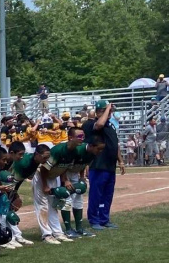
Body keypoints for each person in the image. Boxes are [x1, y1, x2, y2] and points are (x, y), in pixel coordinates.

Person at [44, 128, 105, 240]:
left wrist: (82, 176)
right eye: (99, 149)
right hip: (65, 173)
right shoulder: (77, 149)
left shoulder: (92, 153)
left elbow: (83, 164)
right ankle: (68, 229)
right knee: (66, 199)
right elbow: (65, 165)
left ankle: (79, 228)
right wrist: (65, 180)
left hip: (75, 174)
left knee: (79, 199)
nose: (100, 152)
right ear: (91, 146)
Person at [84, 100, 125, 231]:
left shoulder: (111, 126)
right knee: (96, 194)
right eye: (106, 111)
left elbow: (115, 143)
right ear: (98, 112)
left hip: (110, 166)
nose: (109, 113)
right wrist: (107, 109)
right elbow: (99, 124)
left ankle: (104, 219)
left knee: (107, 195)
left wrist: (121, 161)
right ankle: (94, 219)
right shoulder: (90, 124)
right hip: (98, 165)